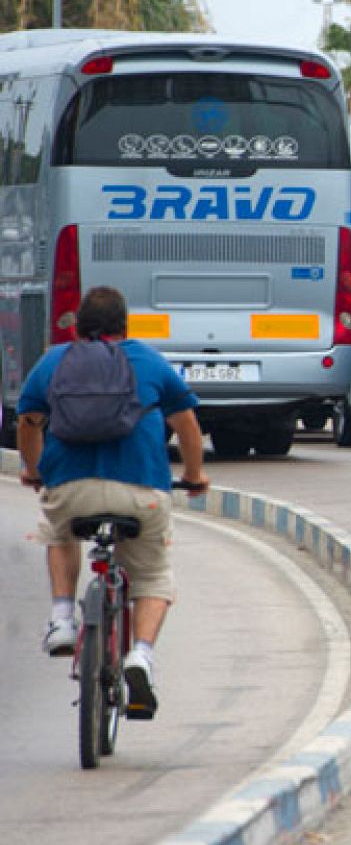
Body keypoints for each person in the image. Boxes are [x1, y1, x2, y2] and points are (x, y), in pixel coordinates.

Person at [17, 287, 209, 721]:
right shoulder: (149, 361)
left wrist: (33, 469)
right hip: (141, 491)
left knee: (60, 531)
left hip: (71, 488)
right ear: (126, 325)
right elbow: (187, 425)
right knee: (153, 576)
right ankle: (140, 656)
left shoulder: (53, 361)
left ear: (77, 325)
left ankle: (63, 617)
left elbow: (28, 422)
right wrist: (195, 476)